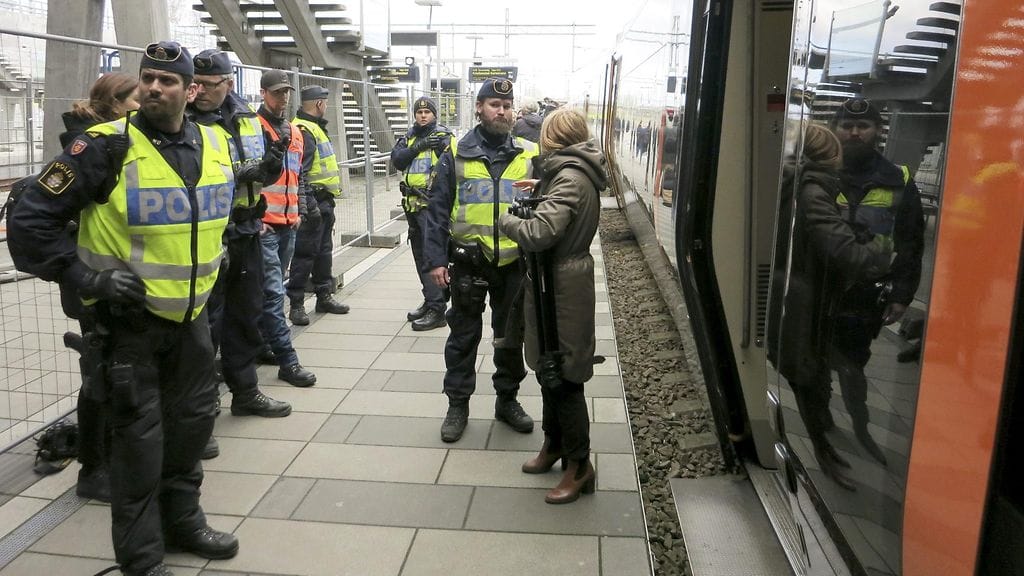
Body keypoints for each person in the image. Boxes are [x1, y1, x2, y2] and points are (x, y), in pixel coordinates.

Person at [8, 41, 239, 576]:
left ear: (192, 90)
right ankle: (141, 558)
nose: (155, 87)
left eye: (169, 80)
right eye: (148, 78)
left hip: (192, 320)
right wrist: (86, 276)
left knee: (192, 429)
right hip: (129, 326)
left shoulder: (216, 143)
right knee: (138, 445)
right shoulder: (103, 147)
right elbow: (29, 221)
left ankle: (184, 522)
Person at [768, 123, 890, 490]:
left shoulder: (792, 183)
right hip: (806, 304)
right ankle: (822, 454)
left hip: (794, 296)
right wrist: (881, 249)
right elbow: (845, 252)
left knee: (810, 379)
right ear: (828, 154)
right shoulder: (813, 191)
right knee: (811, 379)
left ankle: (822, 450)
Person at [498, 108, 608, 504]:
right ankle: (554, 445)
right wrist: (538, 193)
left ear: (552, 138)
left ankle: (580, 467)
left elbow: (540, 232)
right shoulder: (568, 174)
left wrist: (506, 221)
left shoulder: (571, 178)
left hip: (563, 286)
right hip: (555, 282)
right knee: (548, 368)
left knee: (564, 376)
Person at [423, 77, 538, 443]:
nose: (501, 111)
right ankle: (457, 405)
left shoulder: (528, 153)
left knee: (509, 339)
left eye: (506, 106)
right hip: (468, 263)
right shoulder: (455, 153)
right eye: (493, 105)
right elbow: (437, 209)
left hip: (513, 264)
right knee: (462, 337)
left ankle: (507, 401)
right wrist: (435, 261)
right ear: (479, 108)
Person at [189, 50, 293, 419]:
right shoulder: (185, 122)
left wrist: (269, 165)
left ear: (228, 84)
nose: (198, 91)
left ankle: (245, 391)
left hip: (247, 229)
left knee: (245, 316)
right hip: (211, 234)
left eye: (207, 84)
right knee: (207, 325)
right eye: (195, 83)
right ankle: (202, 407)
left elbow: (263, 172)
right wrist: (242, 172)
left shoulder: (247, 118)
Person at [55, 71, 140, 503]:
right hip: (94, 282)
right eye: (135, 99)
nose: (143, 105)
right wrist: (84, 277)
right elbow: (44, 220)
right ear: (115, 103)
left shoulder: (126, 142)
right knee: (98, 378)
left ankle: (114, 457)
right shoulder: (90, 147)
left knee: (115, 374)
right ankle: (93, 469)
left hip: (118, 281)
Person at [829, 98, 924, 466]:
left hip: (866, 294)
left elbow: (911, 242)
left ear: (878, 131)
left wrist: (902, 295)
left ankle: (861, 427)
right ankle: (819, 418)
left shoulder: (898, 179)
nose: (854, 132)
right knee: (812, 362)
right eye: (848, 126)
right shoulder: (819, 172)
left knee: (853, 365)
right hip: (819, 285)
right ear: (836, 129)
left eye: (863, 126)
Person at [255, 69, 317, 388]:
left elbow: (298, 176)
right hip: (264, 225)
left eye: (286, 93)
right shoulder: (254, 129)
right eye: (277, 92)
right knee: (272, 291)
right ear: (264, 93)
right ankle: (286, 359)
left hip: (288, 224)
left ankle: (264, 344)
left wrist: (301, 210)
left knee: (273, 286)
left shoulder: (293, 131)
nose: (283, 98)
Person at [390, 95, 455, 331]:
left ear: (434, 114)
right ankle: (431, 301)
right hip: (412, 205)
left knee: (432, 256)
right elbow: (397, 160)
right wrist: (418, 146)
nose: (423, 115)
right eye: (419, 112)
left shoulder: (442, 136)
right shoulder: (409, 136)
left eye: (427, 112)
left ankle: (438, 308)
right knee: (419, 256)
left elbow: (451, 167)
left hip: (430, 206)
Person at [287, 84, 350, 326]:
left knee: (323, 252)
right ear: (319, 104)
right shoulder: (304, 130)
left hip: (323, 201)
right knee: (304, 255)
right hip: (313, 202)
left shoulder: (313, 128)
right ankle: (296, 305)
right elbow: (299, 172)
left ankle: (324, 295)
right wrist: (309, 206)